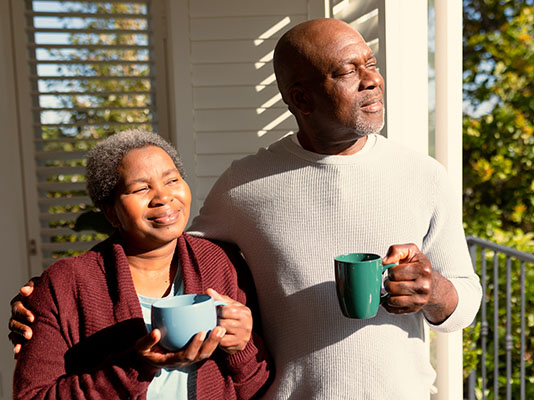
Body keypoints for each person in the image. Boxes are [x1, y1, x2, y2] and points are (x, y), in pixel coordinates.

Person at [10, 18, 481, 399]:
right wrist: (53, 294)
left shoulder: (425, 175)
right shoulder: (245, 184)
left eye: (371, 64)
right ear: (300, 98)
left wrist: (437, 292)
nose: (373, 80)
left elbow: (466, 298)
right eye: (347, 71)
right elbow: (165, 249)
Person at [11, 130, 272, 400]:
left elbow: (258, 388)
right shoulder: (65, 284)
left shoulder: (221, 263)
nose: (163, 197)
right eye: (141, 188)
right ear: (111, 213)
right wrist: (135, 366)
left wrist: (242, 347)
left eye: (172, 180)